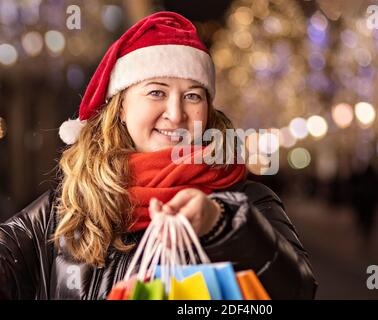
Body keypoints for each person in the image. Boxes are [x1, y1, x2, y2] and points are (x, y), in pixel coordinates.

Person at [0, 11, 317, 300]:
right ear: (121, 107)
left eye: (192, 95)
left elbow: (298, 291)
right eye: (157, 92)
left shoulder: (248, 204)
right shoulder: (66, 207)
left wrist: (222, 226)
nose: (176, 114)